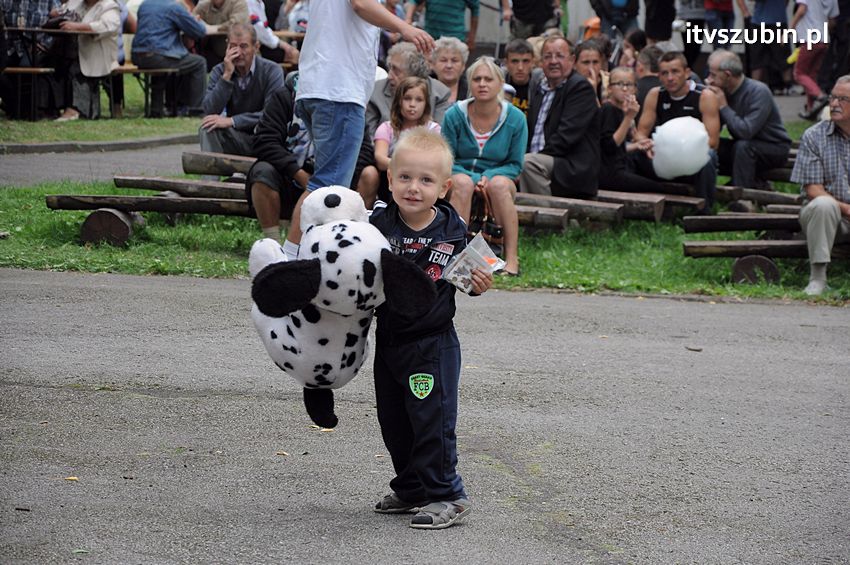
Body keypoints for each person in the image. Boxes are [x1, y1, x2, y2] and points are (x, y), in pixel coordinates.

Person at [369, 127, 493, 530]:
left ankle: (447, 494)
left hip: (431, 345)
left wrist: (478, 284)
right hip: (388, 340)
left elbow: (467, 281)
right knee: (394, 420)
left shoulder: (452, 232)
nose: (413, 188)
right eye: (404, 177)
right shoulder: (376, 224)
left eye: (425, 180)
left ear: (444, 187)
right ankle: (412, 487)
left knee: (431, 421)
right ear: (390, 179)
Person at [284, 0, 434, 261]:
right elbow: (361, 4)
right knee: (325, 188)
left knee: (324, 185)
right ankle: (288, 263)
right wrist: (405, 28)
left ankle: (298, 260)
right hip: (338, 91)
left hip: (320, 86)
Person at [442, 56, 527, 277]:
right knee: (461, 183)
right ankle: (455, 254)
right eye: (477, 79)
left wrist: (488, 175)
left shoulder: (516, 118)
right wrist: (472, 177)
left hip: (500, 176)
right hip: (460, 174)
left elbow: (515, 164)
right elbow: (446, 159)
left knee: (498, 186)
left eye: (488, 79)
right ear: (469, 84)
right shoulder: (454, 115)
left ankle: (511, 258)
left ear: (500, 84)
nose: (482, 84)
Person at [633, 51, 720, 213]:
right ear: (659, 76)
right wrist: (645, 144)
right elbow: (640, 133)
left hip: (692, 155)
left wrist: (682, 151)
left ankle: (704, 211)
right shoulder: (655, 95)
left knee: (709, 157)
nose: (670, 78)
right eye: (665, 73)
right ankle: (641, 207)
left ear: (687, 73)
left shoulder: (705, 96)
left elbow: (713, 141)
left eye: (675, 72)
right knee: (632, 154)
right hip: (662, 155)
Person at [518, 36, 601, 200]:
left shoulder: (580, 88)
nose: (553, 61)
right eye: (547, 56)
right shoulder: (539, 89)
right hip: (541, 160)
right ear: (541, 62)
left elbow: (566, 137)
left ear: (572, 60)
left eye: (559, 56)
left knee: (527, 164)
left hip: (571, 165)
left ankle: (546, 221)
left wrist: (535, 157)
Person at [790, 75, 850, 295]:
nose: (834, 104)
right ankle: (818, 278)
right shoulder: (814, 136)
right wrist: (847, 210)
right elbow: (813, 190)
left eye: (843, 99)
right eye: (833, 97)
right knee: (824, 204)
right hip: (830, 219)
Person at [705, 50, 791, 189]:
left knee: (744, 147)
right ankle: (702, 191)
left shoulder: (758, 91)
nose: (709, 79)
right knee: (708, 145)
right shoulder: (722, 91)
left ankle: (742, 198)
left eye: (713, 75)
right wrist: (708, 102)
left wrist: (723, 106)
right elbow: (713, 130)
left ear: (728, 75)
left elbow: (745, 132)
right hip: (744, 146)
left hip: (774, 148)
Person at [199, 23, 284, 156]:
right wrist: (226, 76)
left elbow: (271, 114)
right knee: (208, 127)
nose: (237, 53)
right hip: (236, 136)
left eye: (243, 46)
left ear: (256, 47)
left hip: (264, 140)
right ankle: (210, 175)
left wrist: (232, 121)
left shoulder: (272, 71)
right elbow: (210, 110)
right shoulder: (220, 70)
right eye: (233, 46)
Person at [360, 76, 440, 208]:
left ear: (426, 104)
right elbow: (380, 160)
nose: (412, 104)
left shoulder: (433, 129)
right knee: (374, 173)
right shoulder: (387, 128)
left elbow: (434, 160)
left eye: (419, 100)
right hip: (391, 182)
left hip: (422, 182)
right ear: (398, 101)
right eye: (407, 98)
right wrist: (406, 168)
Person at [246, 84, 311, 244]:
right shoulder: (284, 96)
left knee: (366, 174)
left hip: (330, 178)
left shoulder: (342, 100)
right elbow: (264, 141)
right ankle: (273, 243)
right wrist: (299, 174)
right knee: (262, 173)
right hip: (288, 175)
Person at [131, 0, 208, 117]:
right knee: (199, 63)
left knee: (162, 64)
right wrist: (195, 20)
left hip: (138, 56)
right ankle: (197, 109)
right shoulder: (173, 7)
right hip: (158, 56)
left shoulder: (144, 5)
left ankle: (156, 109)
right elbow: (199, 31)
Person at [598, 66, 666, 192]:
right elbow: (609, 146)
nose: (624, 89)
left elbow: (620, 146)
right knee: (661, 188)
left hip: (622, 167)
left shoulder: (621, 111)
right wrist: (629, 117)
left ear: (635, 89)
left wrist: (637, 145)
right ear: (610, 88)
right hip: (609, 174)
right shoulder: (608, 109)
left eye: (629, 85)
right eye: (619, 84)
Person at [53, 0, 121, 122]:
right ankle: (52, 108)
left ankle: (74, 110)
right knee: (54, 64)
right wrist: (55, 15)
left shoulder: (110, 6)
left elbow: (107, 26)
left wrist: (78, 26)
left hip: (96, 54)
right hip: (71, 50)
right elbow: (60, 12)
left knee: (74, 66)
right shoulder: (76, 3)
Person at [790, 0, 839, 120]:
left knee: (799, 73)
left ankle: (820, 96)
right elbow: (832, 21)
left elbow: (801, 10)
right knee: (811, 76)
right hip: (823, 39)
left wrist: (789, 30)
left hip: (810, 38)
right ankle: (811, 109)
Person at [735, 0, 792, 91]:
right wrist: (745, 12)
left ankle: (788, 85)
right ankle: (754, 88)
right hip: (759, 22)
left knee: (783, 55)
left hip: (777, 21)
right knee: (757, 58)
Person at [193, 0, 250, 70]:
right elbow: (192, 21)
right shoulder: (203, 5)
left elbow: (236, 25)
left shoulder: (239, 3)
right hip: (216, 53)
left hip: (241, 55)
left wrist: (212, 29)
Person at [405, 0, 479, 50]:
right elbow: (414, 1)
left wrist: (472, 38)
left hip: (455, 40)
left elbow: (475, 8)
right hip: (431, 39)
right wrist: (408, 20)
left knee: (452, 68)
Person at [246, 0, 298, 64]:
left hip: (264, 44)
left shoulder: (261, 3)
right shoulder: (249, 2)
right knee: (294, 54)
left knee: (294, 53)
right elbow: (259, 29)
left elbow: (265, 28)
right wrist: (282, 44)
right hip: (253, 46)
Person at [502, 38, 544, 116]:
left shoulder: (541, 85)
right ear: (506, 63)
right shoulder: (498, 82)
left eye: (525, 61)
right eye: (515, 61)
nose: (520, 68)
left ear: (533, 62)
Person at [429, 36, 469, 104]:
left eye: (454, 61)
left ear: (463, 65)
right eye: (443, 60)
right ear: (433, 64)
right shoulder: (424, 87)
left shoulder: (471, 91)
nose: (449, 66)